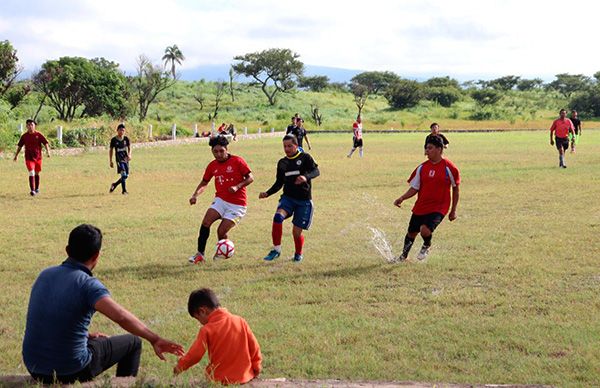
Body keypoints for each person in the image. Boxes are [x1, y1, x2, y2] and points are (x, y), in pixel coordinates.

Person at [22, 224, 184, 385]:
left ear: (67, 250)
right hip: (70, 369)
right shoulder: (88, 285)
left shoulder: (45, 274)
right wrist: (154, 339)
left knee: (97, 342)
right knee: (133, 342)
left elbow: (49, 316)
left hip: (35, 367)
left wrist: (84, 336)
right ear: (96, 256)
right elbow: (120, 316)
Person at [173, 288, 262, 384]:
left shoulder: (207, 329)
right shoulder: (240, 321)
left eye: (198, 319)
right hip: (245, 377)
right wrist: (256, 368)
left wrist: (180, 366)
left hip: (220, 380)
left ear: (202, 311)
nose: (200, 323)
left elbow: (195, 355)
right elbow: (254, 348)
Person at [393, 135, 460, 262]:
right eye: (426, 148)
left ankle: (427, 245)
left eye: (430, 148)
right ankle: (403, 257)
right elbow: (415, 187)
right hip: (421, 206)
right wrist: (402, 198)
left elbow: (456, 188)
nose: (426, 151)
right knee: (411, 233)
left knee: (425, 230)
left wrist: (453, 210)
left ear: (440, 149)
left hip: (439, 206)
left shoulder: (449, 168)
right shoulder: (422, 168)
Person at [188, 135, 254, 264]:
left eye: (221, 151)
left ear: (227, 149)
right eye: (215, 151)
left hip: (237, 205)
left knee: (221, 231)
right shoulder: (212, 166)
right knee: (206, 222)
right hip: (221, 200)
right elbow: (204, 182)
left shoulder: (238, 161)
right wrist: (195, 195)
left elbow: (250, 178)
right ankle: (200, 255)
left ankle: (223, 253)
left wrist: (237, 186)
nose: (218, 154)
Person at [259, 134, 320, 262]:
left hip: (303, 201)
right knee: (277, 217)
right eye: (284, 146)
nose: (287, 149)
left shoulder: (305, 158)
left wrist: (305, 177)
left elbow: (316, 171)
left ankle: (298, 253)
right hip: (288, 198)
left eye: (289, 146)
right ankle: (276, 250)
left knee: (296, 233)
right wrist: (267, 193)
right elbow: (279, 182)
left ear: (296, 146)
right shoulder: (282, 163)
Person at [13, 119, 50, 196]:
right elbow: (20, 146)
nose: (30, 126)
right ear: (26, 126)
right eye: (28, 125)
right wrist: (16, 155)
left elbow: (45, 143)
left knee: (37, 173)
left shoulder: (38, 135)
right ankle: (32, 190)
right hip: (29, 158)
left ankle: (37, 188)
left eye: (31, 125)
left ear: (34, 126)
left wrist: (48, 151)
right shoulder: (24, 136)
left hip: (38, 158)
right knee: (31, 172)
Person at [109, 124, 131, 194]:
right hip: (119, 159)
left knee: (126, 176)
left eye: (123, 130)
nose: (122, 132)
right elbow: (111, 150)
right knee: (123, 174)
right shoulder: (114, 140)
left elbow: (130, 148)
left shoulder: (126, 139)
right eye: (120, 130)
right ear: (117, 130)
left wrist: (130, 154)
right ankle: (124, 191)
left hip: (125, 159)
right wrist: (111, 161)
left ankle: (114, 184)